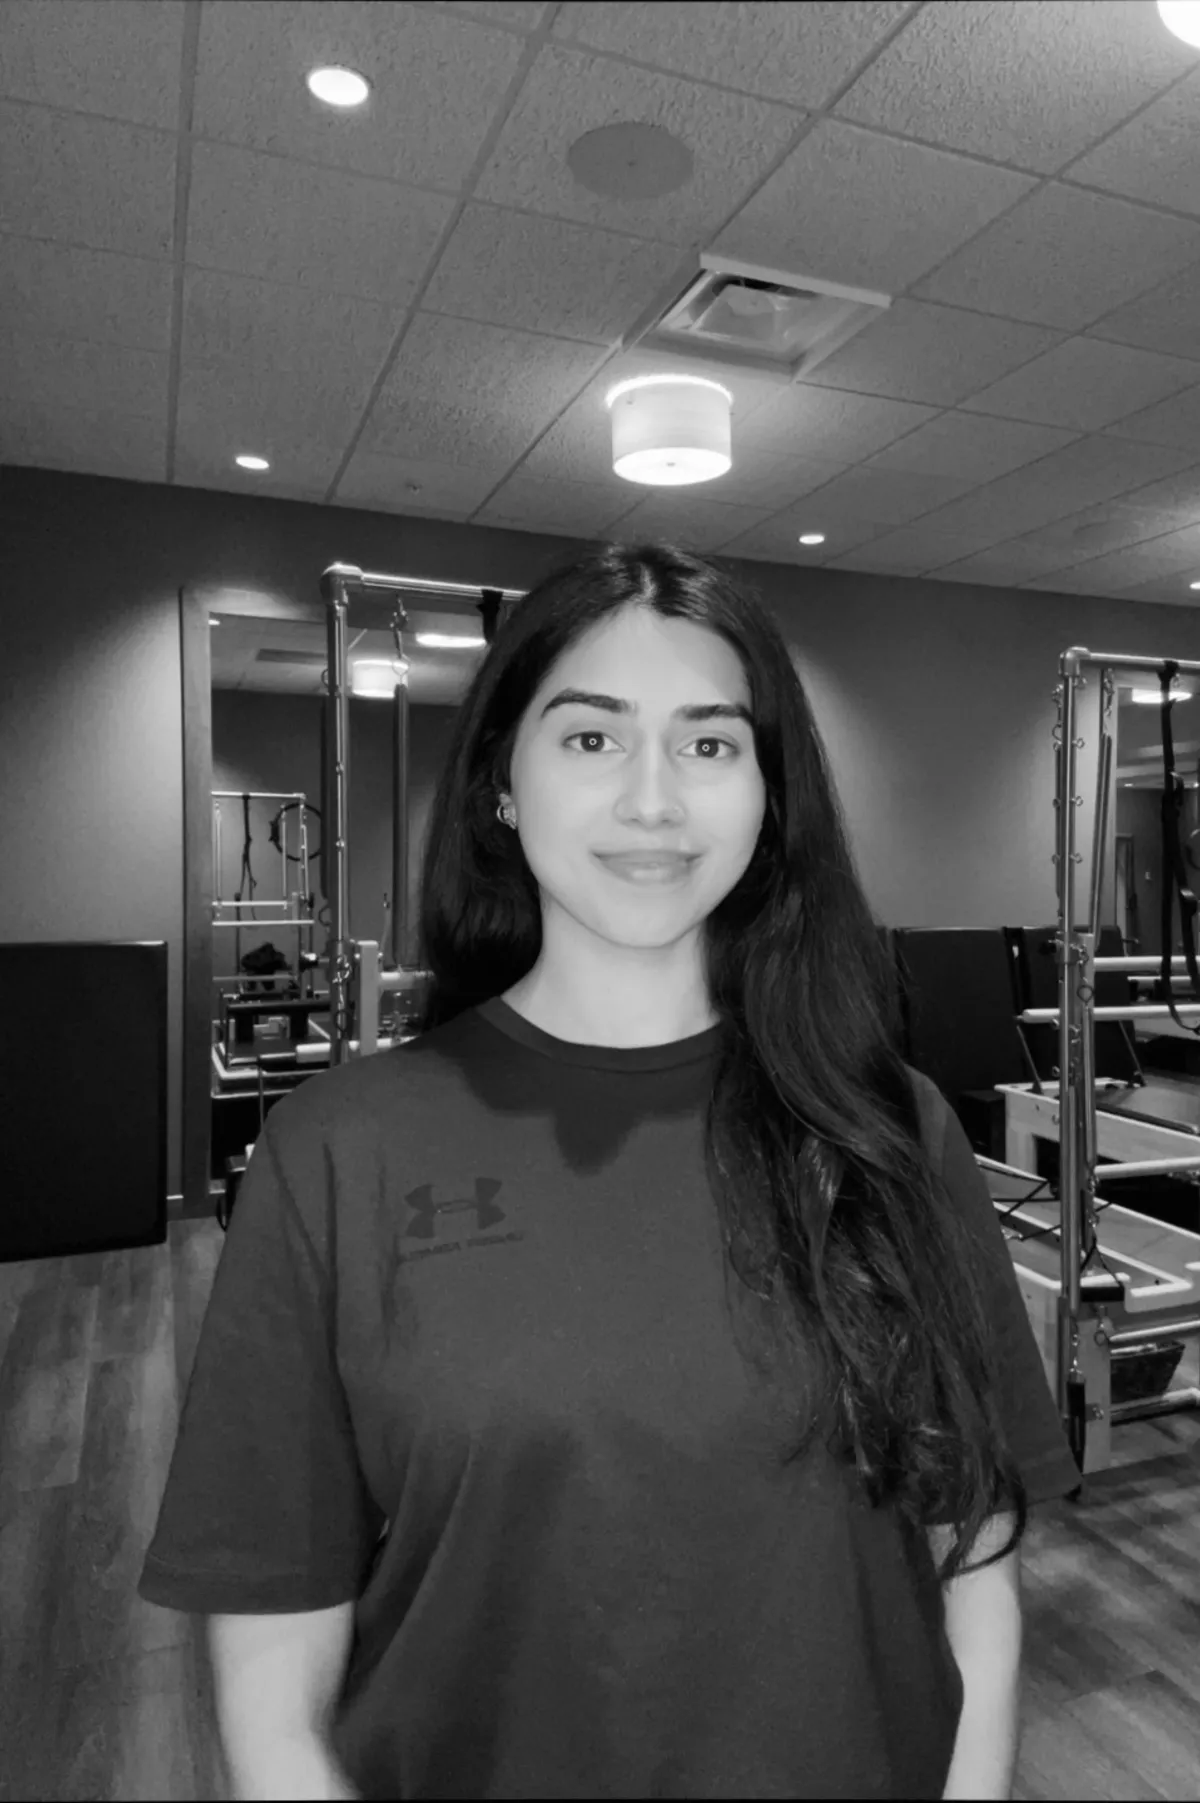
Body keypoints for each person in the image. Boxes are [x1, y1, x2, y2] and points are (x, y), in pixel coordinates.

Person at [138, 542, 1080, 1800]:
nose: (655, 801)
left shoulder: (892, 1132)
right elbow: (270, 1637)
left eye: (709, 744)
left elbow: (974, 1557)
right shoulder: (340, 1149)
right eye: (591, 739)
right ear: (503, 789)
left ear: (767, 796)